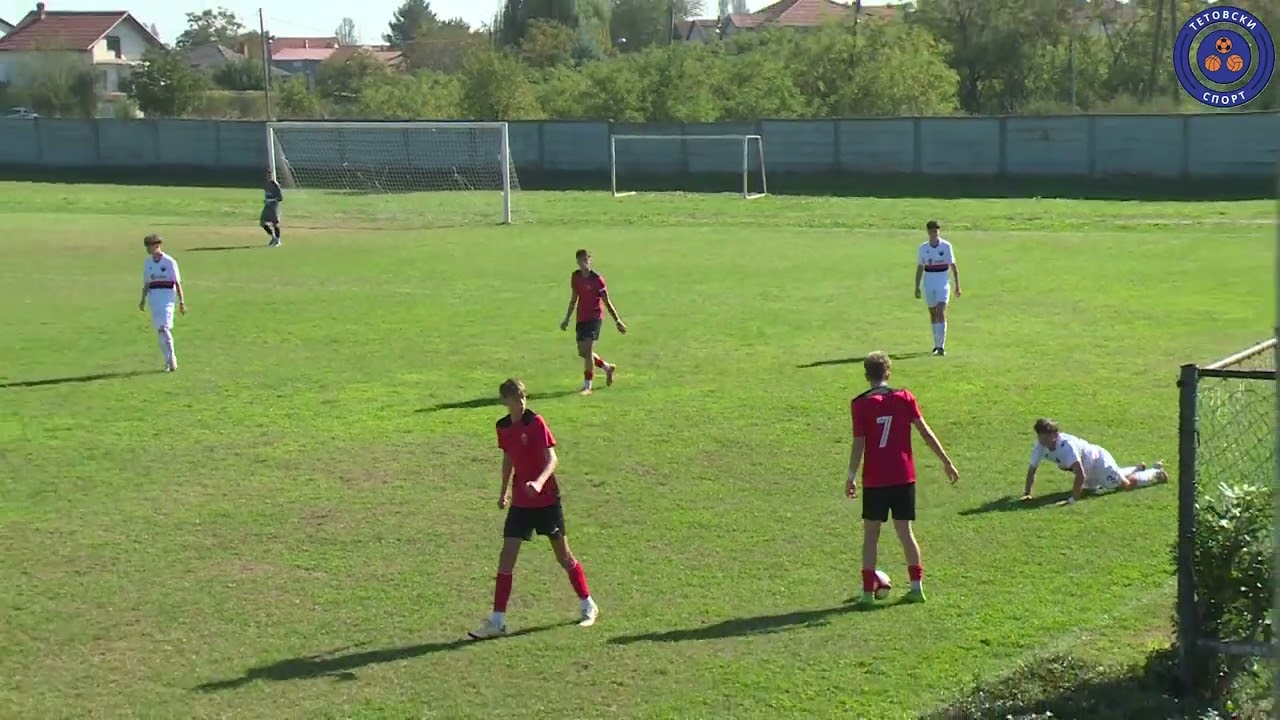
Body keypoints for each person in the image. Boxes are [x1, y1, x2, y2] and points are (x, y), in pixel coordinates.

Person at [469, 378, 600, 640]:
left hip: (546, 501)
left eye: (523, 397)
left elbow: (552, 458)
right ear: (506, 402)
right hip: (520, 502)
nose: (521, 402)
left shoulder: (536, 422)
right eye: (516, 398)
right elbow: (508, 458)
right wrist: (504, 490)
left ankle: (588, 605)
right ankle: (497, 620)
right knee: (506, 556)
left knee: (563, 556)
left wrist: (539, 483)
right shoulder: (503, 427)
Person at [847, 351, 959, 607]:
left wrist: (851, 476)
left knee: (871, 536)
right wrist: (946, 462)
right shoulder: (905, 398)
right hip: (903, 476)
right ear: (888, 373)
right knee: (905, 532)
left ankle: (867, 594)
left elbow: (858, 444)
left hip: (875, 479)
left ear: (867, 375)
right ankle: (916, 587)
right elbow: (926, 433)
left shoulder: (860, 404)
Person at [1022, 418, 1168, 504]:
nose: (1043, 441)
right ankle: (1136, 468)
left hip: (1099, 462)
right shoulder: (1040, 445)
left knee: (1125, 485)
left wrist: (1072, 499)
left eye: (1046, 437)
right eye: (1040, 437)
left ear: (1055, 434)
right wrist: (1027, 493)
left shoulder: (1067, 446)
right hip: (1088, 468)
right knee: (1091, 490)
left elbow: (1080, 474)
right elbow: (1032, 469)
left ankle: (1155, 471)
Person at [559, 249, 626, 395]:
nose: (584, 263)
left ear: (590, 260)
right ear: (577, 261)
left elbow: (607, 302)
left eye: (586, 259)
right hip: (581, 317)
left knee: (588, 349)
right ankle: (607, 367)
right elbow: (573, 299)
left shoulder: (597, 280)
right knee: (583, 352)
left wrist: (617, 321)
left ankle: (587, 386)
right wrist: (567, 319)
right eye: (581, 260)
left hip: (594, 318)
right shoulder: (575, 277)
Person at [138, 234, 185, 372]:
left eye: (149, 246)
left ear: (156, 245)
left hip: (167, 298)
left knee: (164, 328)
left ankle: (172, 360)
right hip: (154, 299)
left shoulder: (169, 262)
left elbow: (177, 282)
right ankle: (167, 361)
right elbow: (146, 283)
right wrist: (142, 300)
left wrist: (181, 301)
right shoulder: (148, 263)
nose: (147, 249)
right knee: (160, 330)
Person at [913, 220, 961, 356]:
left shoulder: (946, 246)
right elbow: (919, 268)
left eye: (936, 231)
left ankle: (941, 346)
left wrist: (957, 286)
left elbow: (954, 267)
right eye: (932, 231)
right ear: (928, 232)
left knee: (941, 311)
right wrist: (917, 287)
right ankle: (936, 344)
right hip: (929, 282)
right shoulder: (923, 248)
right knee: (933, 313)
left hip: (942, 282)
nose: (934, 233)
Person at [261, 171, 283, 247]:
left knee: (275, 224)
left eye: (270, 175)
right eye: (267, 175)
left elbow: (280, 198)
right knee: (262, 222)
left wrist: (270, 200)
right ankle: (273, 237)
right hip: (267, 207)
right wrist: (266, 200)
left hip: (274, 207)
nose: (268, 177)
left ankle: (278, 240)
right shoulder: (266, 185)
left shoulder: (275, 185)